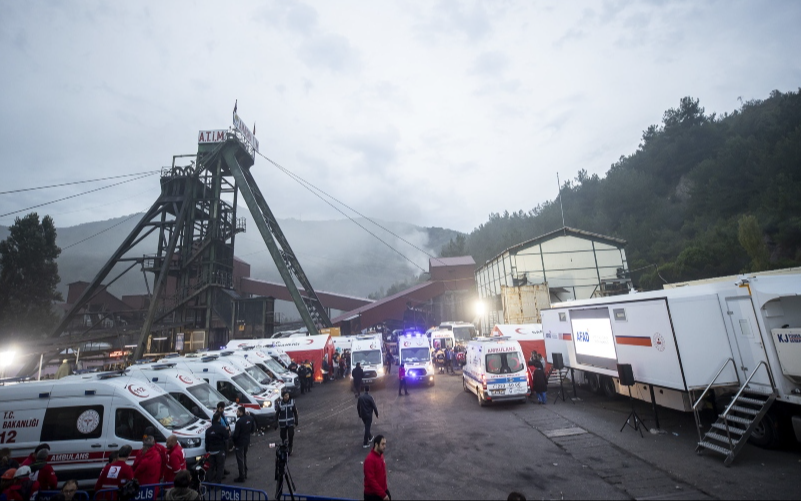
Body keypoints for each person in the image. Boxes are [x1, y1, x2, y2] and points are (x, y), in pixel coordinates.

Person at [232, 406, 256, 482]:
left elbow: (236, 435)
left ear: (241, 412)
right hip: (246, 441)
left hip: (239, 443)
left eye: (238, 412)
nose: (237, 413)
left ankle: (241, 476)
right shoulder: (250, 418)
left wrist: (232, 440)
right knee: (244, 457)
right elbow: (253, 429)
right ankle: (245, 473)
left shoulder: (239, 422)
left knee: (240, 459)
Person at [204, 413, 229, 485]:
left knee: (211, 467)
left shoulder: (208, 430)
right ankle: (217, 483)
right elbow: (226, 437)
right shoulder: (221, 428)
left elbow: (207, 442)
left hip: (211, 451)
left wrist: (208, 450)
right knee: (220, 467)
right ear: (219, 419)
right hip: (220, 450)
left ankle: (209, 482)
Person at [363, 435, 390, 501]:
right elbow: (371, 480)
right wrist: (383, 495)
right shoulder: (369, 460)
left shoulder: (381, 455)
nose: (384, 446)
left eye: (385, 444)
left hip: (382, 491)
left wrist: (385, 491)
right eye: (382, 444)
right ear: (376, 444)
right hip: (372, 495)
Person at [277, 391, 299, 456]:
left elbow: (295, 412)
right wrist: (275, 422)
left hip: (290, 423)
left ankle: (290, 448)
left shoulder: (292, 403)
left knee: (291, 435)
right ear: (283, 397)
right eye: (285, 396)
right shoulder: (280, 404)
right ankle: (284, 447)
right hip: (283, 423)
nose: (287, 397)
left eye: (287, 395)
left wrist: (296, 421)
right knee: (283, 436)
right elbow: (277, 414)